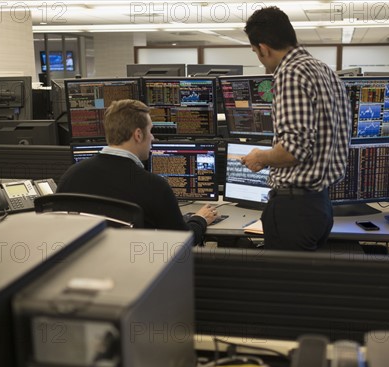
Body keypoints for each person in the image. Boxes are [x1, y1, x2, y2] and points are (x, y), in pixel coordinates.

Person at [240, 6, 351, 251]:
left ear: (264, 48)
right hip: (320, 206)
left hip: (294, 210)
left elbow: (294, 150)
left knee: (282, 288)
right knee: (300, 285)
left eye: (255, 52)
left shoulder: (290, 74)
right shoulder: (327, 72)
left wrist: (261, 157)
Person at [56, 99, 219, 245]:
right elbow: (181, 241)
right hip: (136, 273)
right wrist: (199, 220)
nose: (153, 138)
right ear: (138, 135)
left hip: (81, 271)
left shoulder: (71, 175)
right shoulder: (154, 186)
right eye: (150, 131)